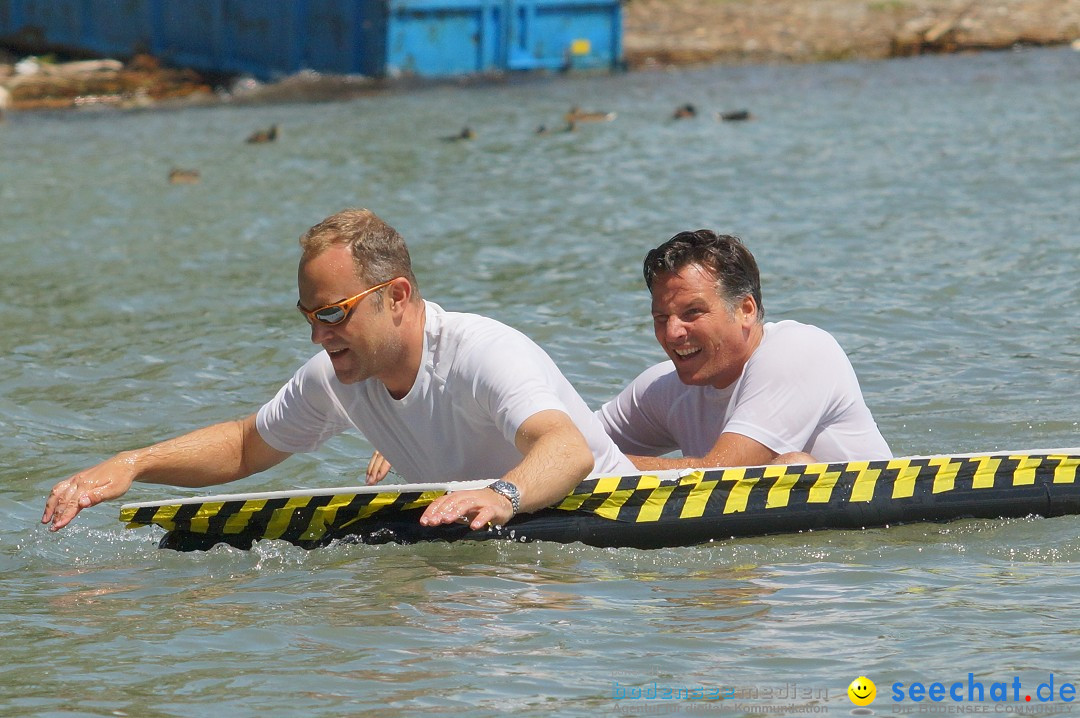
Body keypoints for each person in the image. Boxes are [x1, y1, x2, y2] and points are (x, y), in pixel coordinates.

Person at [43, 209, 634, 532]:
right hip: (486, 531)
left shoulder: (482, 351)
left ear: (396, 295)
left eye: (333, 314)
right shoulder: (334, 376)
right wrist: (132, 464)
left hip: (616, 522)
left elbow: (566, 448)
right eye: (308, 315)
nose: (317, 334)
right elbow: (247, 447)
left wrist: (503, 494)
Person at [596, 229, 891, 470]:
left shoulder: (798, 351)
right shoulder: (663, 390)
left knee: (792, 466)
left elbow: (718, 473)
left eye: (693, 313)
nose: (672, 333)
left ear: (745, 309)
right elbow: (573, 441)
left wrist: (589, 465)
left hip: (878, 533)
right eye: (661, 318)